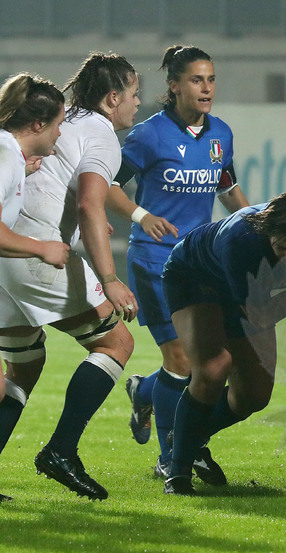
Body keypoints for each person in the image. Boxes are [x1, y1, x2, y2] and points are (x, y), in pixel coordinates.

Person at [0, 53, 140, 500]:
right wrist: (110, 277)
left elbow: (71, 197)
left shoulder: (62, 123)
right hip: (32, 251)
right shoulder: (100, 133)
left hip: (6, 259)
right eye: (134, 94)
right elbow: (89, 204)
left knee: (24, 366)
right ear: (113, 97)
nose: (138, 104)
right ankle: (61, 450)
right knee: (116, 342)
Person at [107, 45, 249, 485]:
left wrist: (252, 224)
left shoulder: (220, 134)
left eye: (210, 80)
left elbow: (228, 189)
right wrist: (141, 216)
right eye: (195, 80)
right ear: (174, 86)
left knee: (205, 361)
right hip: (154, 260)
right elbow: (107, 187)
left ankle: (145, 390)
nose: (205, 88)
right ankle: (173, 457)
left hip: (200, 264)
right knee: (184, 359)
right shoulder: (149, 136)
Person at [161, 193, 286, 495]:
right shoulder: (240, 241)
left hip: (248, 296)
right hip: (196, 277)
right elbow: (257, 315)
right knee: (213, 369)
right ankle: (178, 474)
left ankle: (189, 434)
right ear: (269, 232)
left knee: (254, 395)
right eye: (282, 248)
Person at [0, 72, 69, 503]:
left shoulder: (10, 157)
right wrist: (41, 248)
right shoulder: (5, 155)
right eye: (59, 124)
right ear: (39, 125)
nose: (61, 135)